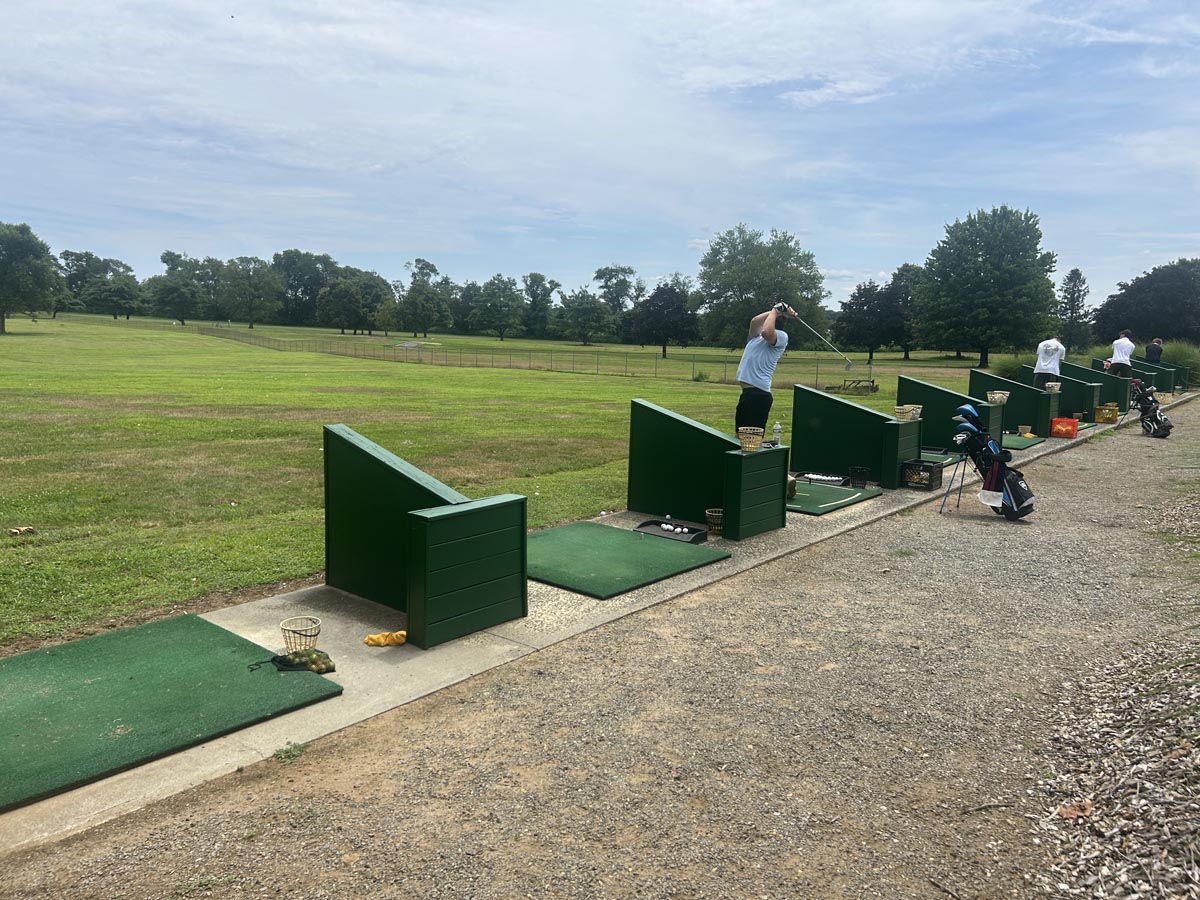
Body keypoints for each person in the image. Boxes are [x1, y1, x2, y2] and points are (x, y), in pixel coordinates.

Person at [735, 302, 794, 434]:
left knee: (750, 440)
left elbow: (767, 332)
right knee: (741, 438)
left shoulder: (782, 336)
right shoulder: (755, 338)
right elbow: (755, 321)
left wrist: (775, 312)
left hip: (758, 395)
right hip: (749, 394)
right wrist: (779, 310)